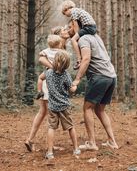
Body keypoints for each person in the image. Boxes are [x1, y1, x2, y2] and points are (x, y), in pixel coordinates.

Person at [68, 20, 118, 151]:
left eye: (70, 26)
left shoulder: (83, 38)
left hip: (99, 76)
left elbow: (86, 59)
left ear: (76, 25)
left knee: (87, 108)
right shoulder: (96, 37)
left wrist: (77, 79)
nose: (69, 30)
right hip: (111, 76)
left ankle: (91, 143)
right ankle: (112, 141)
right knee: (100, 110)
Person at [24, 26, 70, 152]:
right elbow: (41, 58)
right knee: (50, 114)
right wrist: (54, 69)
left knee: (43, 112)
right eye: (64, 31)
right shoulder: (54, 49)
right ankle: (46, 145)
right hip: (50, 83)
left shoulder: (61, 48)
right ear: (58, 36)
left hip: (48, 82)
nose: (67, 31)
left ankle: (31, 139)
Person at [38, 50, 81, 159]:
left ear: (55, 61)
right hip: (64, 106)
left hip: (52, 106)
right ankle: (76, 149)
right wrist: (75, 85)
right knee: (70, 127)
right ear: (67, 64)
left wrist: (40, 91)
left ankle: (50, 152)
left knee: (51, 128)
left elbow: (40, 78)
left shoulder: (48, 73)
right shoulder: (66, 75)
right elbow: (71, 90)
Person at [61, 0, 97, 69]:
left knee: (73, 40)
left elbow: (75, 26)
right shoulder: (78, 10)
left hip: (88, 27)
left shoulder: (73, 12)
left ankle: (79, 59)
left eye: (65, 13)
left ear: (66, 9)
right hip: (92, 27)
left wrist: (76, 36)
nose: (67, 15)